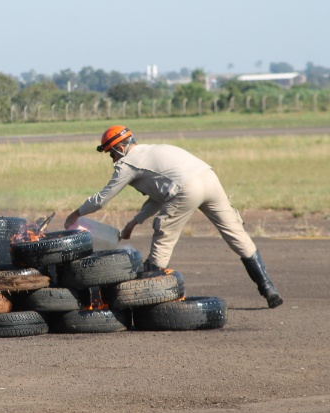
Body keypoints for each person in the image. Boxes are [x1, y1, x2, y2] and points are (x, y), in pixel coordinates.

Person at [63, 125, 283, 309]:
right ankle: (268, 288)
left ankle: (150, 297)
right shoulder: (153, 151)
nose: (112, 159)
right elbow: (159, 197)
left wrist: (76, 213)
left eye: (112, 153)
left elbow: (102, 199)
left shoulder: (127, 163)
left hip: (187, 187)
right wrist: (135, 221)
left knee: (163, 236)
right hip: (209, 177)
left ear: (120, 147)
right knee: (237, 235)